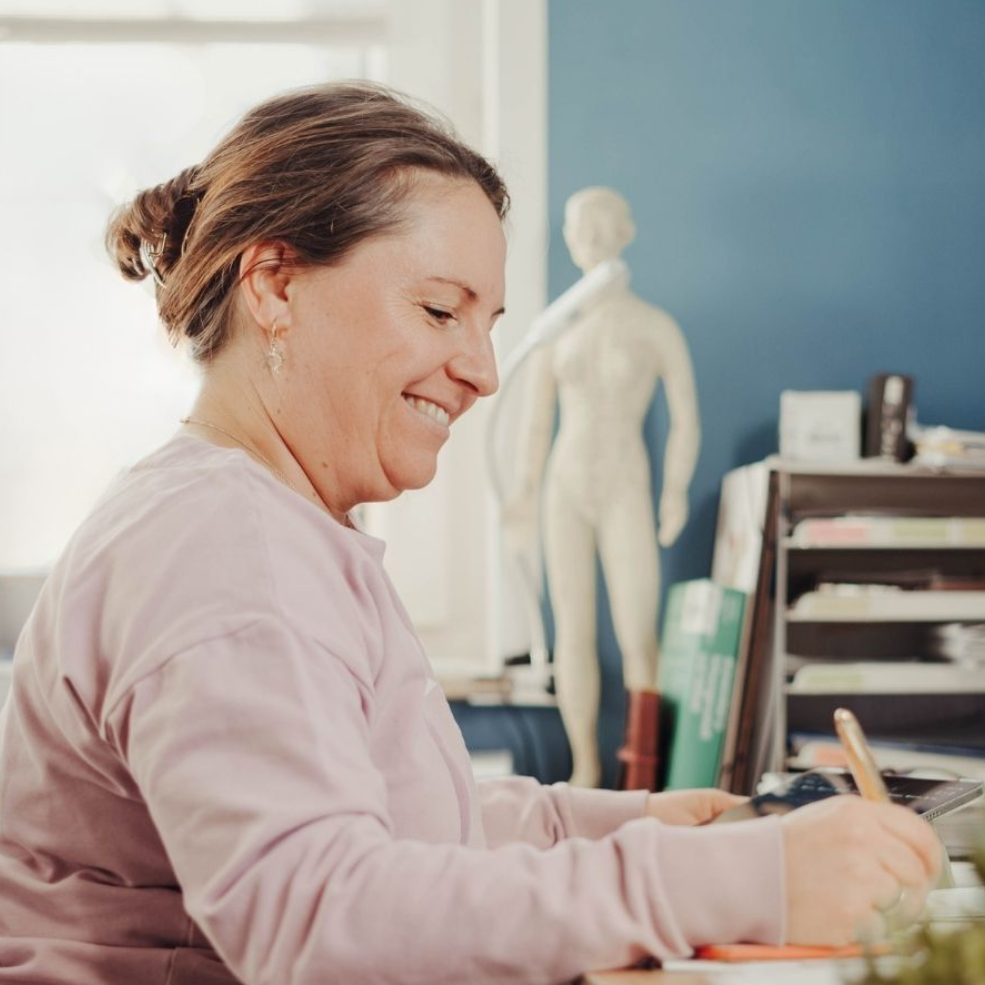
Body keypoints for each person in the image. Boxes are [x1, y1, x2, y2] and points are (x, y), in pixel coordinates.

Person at [0, 82, 941, 985]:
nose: (484, 372)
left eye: (488, 324)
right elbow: (318, 918)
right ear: (276, 285)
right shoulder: (218, 545)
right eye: (439, 310)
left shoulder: (265, 520)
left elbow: (389, 815)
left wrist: (641, 824)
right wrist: (736, 880)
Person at [504, 186, 700, 790]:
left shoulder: (654, 326)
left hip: (624, 480)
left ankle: (643, 767)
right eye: (574, 226)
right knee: (573, 628)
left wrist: (675, 491)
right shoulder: (555, 328)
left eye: (597, 223)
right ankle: (585, 763)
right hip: (567, 481)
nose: (584, 235)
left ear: (625, 230)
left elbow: (686, 417)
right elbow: (536, 422)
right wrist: (520, 495)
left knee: (638, 630)